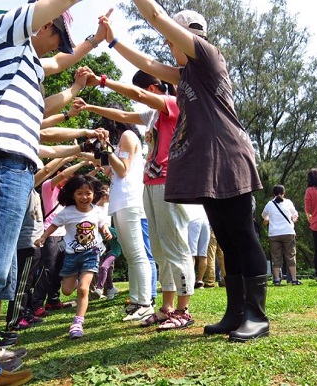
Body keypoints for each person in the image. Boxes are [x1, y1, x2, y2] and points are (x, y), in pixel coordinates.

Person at [0, 2, 99, 385]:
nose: (57, 48)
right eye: (58, 37)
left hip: (7, 164)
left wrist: (94, 46)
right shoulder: (3, 31)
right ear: (43, 24)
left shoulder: (25, 64)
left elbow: (59, 70)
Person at [99, 5, 268, 342]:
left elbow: (157, 18)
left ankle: (257, 315)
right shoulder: (186, 74)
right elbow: (147, 66)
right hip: (208, 164)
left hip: (229, 156)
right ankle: (235, 312)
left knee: (242, 235)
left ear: (186, 37)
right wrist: (113, 41)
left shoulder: (207, 56)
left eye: (170, 39)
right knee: (228, 239)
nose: (168, 45)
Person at [77, 69, 194, 331]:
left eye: (143, 93)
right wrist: (90, 105)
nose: (140, 100)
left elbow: (136, 94)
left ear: (152, 89)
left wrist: (103, 81)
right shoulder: (151, 116)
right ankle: (167, 308)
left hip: (171, 181)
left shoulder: (172, 104)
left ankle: (184, 310)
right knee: (161, 250)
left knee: (175, 246)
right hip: (150, 184)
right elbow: (121, 115)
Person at [72, 99, 154, 321]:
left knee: (137, 254)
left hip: (130, 200)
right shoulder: (121, 143)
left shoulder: (128, 136)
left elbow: (123, 170)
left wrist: (107, 149)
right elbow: (111, 169)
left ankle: (145, 302)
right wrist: (86, 153)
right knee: (130, 255)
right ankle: (137, 300)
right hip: (121, 201)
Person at [34, 174, 111, 339]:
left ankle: (77, 323)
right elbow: (53, 225)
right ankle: (77, 281)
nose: (84, 197)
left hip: (91, 253)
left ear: (94, 194)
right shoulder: (67, 212)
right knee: (67, 291)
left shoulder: (97, 211)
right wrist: (43, 237)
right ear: (73, 195)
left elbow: (101, 224)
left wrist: (104, 230)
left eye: (88, 193)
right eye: (79, 193)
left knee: (83, 289)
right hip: (71, 256)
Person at [262, 185, 301, 286]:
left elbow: (264, 216)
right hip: (288, 232)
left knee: (276, 257)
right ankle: (293, 279)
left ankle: (276, 280)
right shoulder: (288, 202)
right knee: (291, 256)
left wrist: (270, 218)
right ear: (284, 193)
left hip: (274, 234)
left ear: (273, 194)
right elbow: (295, 216)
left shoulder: (269, 204)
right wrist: (293, 220)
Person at [183, 204, 211, 289]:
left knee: (191, 253)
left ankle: (190, 281)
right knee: (203, 254)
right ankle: (199, 280)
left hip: (192, 220)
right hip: (205, 220)